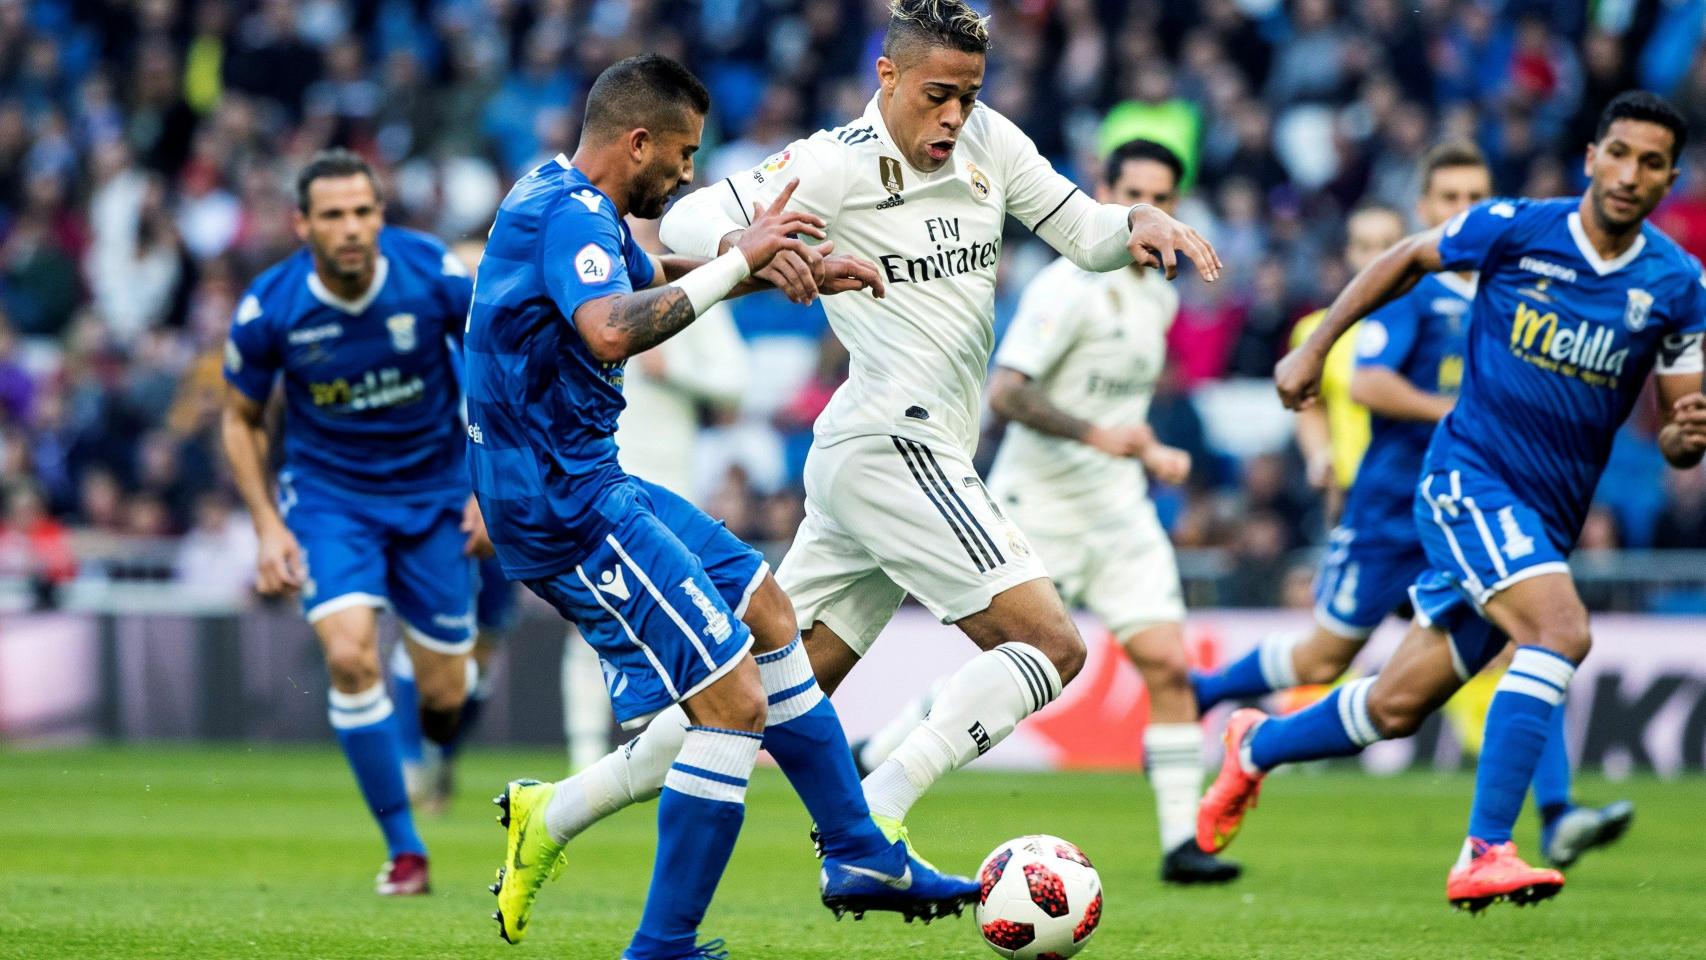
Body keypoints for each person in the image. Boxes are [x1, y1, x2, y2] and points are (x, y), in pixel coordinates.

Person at [659, 0, 1220, 857]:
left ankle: (558, 809)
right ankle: (878, 810)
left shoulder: (989, 139)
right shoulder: (833, 161)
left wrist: (1133, 224)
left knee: (765, 694)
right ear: (886, 77)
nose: (955, 114)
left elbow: (1083, 229)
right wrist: (751, 239)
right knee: (1051, 644)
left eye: (968, 93)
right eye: (938, 94)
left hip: (889, 455)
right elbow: (682, 221)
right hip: (896, 440)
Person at [465, 55, 978, 958]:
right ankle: (663, 944)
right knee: (733, 706)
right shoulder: (564, 211)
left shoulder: (572, 204)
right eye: (683, 153)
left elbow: (646, 270)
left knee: (770, 609)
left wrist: (779, 264)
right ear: (637, 141)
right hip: (562, 505)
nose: (690, 172)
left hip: (588, 478)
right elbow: (610, 326)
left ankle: (858, 849)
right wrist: (739, 254)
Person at [1199, 91, 1706, 911]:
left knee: (1397, 705)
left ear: (1669, 179)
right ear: (1591, 155)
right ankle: (1486, 848)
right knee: (1559, 630)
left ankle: (1256, 745)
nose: (1630, 174)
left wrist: (1688, 434)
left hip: (1545, 517)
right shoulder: (1517, 228)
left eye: (1652, 164)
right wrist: (1316, 347)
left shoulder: (1679, 285)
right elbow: (1403, 258)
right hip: (1467, 481)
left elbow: (1685, 433)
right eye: (1618, 153)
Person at [852, 139, 1239, 884]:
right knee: (1015, 663)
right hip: (1043, 504)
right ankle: (883, 752)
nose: (1146, 206)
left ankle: (1181, 845)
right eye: (1132, 191)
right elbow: (1008, 393)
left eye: (1161, 195)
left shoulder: (1158, 289)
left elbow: (1116, 399)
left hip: (1119, 509)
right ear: (1105, 189)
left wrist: (1143, 448)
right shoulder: (1067, 288)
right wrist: (1104, 436)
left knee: (1166, 664)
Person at [220, 148, 485, 895]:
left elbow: (496, 363)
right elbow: (240, 421)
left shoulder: (431, 272)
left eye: (364, 212)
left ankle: (432, 749)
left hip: (435, 496)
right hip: (332, 502)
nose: (351, 229)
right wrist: (270, 527)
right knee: (350, 657)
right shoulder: (269, 309)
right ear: (302, 224)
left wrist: (488, 484)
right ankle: (405, 850)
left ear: (381, 214)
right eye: (333, 215)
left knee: (445, 694)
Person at [1287, 204, 1405, 520]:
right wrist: (1319, 455)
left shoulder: (1437, 322)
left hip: (1421, 486)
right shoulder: (1317, 333)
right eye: (1364, 247)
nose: (1377, 257)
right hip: (1355, 492)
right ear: (1348, 253)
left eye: (1388, 245)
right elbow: (1310, 404)